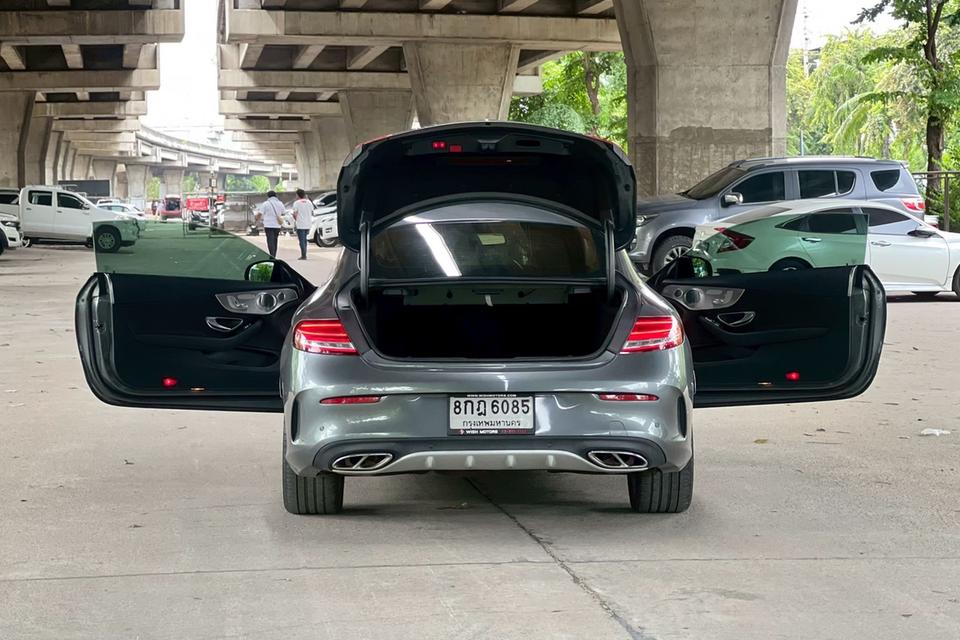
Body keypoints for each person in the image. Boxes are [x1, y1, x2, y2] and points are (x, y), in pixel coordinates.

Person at [255, 190, 285, 258]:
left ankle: (272, 255)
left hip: (268, 225)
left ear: (268, 196)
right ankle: (274, 255)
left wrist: (256, 218)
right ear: (275, 196)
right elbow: (283, 212)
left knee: (270, 240)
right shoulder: (280, 203)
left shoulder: (266, 203)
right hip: (277, 225)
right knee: (275, 240)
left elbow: (260, 213)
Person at [291, 188, 314, 260]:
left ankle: (303, 255)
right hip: (308, 224)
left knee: (302, 240)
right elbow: (312, 212)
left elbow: (295, 214)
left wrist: (295, 218)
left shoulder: (296, 203)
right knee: (305, 240)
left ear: (297, 195)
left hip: (300, 224)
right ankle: (304, 253)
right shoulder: (309, 202)